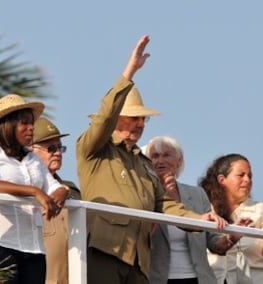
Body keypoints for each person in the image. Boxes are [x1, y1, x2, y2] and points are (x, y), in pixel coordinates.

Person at [76, 35, 227, 284]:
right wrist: (129, 72)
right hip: (104, 250)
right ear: (116, 118)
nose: (139, 124)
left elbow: (164, 204)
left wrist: (199, 219)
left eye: (142, 119)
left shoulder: (143, 163)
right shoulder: (95, 149)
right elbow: (103, 119)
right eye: (133, 117)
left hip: (138, 259)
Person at [0, 94, 69, 284]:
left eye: (31, 122)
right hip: (0, 246)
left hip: (35, 250)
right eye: (24, 123)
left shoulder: (33, 159)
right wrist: (34, 191)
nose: (31, 127)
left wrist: (62, 192)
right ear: (6, 126)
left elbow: (55, 187)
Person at [145, 136, 247, 284]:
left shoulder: (197, 194)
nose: (160, 161)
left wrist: (232, 237)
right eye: (155, 156)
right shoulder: (143, 194)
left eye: (166, 155)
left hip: (198, 279)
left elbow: (214, 244)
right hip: (157, 279)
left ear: (179, 160)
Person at [199, 153, 263, 284]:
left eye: (250, 176)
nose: (247, 180)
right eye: (241, 175)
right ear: (221, 179)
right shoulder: (204, 210)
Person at [30, 117, 81, 284]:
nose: (58, 153)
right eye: (51, 148)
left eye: (60, 147)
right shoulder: (24, 191)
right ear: (31, 150)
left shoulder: (72, 191)